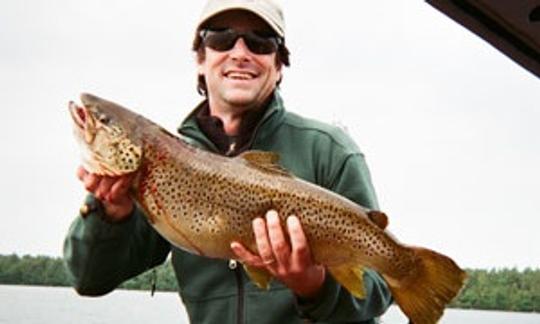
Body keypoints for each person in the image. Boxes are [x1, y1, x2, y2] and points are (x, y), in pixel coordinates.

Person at [64, 0, 393, 322]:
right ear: (200, 60)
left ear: (279, 66)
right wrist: (109, 215)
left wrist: (314, 286)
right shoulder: (161, 166)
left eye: (260, 42)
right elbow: (89, 279)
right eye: (221, 37)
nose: (240, 53)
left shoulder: (329, 150)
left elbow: (380, 288)